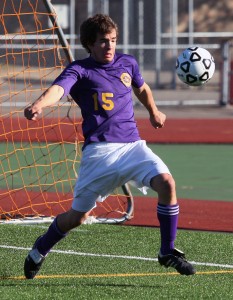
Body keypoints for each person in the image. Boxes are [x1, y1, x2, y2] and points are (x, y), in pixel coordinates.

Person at [24, 14, 195, 279]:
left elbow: (142, 88)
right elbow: (58, 89)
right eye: (103, 42)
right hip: (99, 155)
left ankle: (167, 251)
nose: (110, 46)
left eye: (113, 40)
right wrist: (39, 104)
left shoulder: (127, 62)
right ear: (90, 44)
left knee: (167, 183)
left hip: (133, 148)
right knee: (76, 218)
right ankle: (40, 247)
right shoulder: (79, 70)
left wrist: (154, 111)